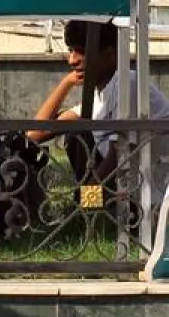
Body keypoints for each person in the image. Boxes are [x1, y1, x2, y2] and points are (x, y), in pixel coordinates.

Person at [27, 18, 169, 201]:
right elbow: (34, 134)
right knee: (77, 131)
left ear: (109, 55)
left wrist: (85, 203)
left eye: (81, 52)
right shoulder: (99, 97)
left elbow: (116, 156)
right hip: (126, 193)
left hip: (149, 200)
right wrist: (66, 83)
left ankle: (93, 217)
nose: (72, 60)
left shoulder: (127, 85)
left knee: (78, 133)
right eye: (70, 51)